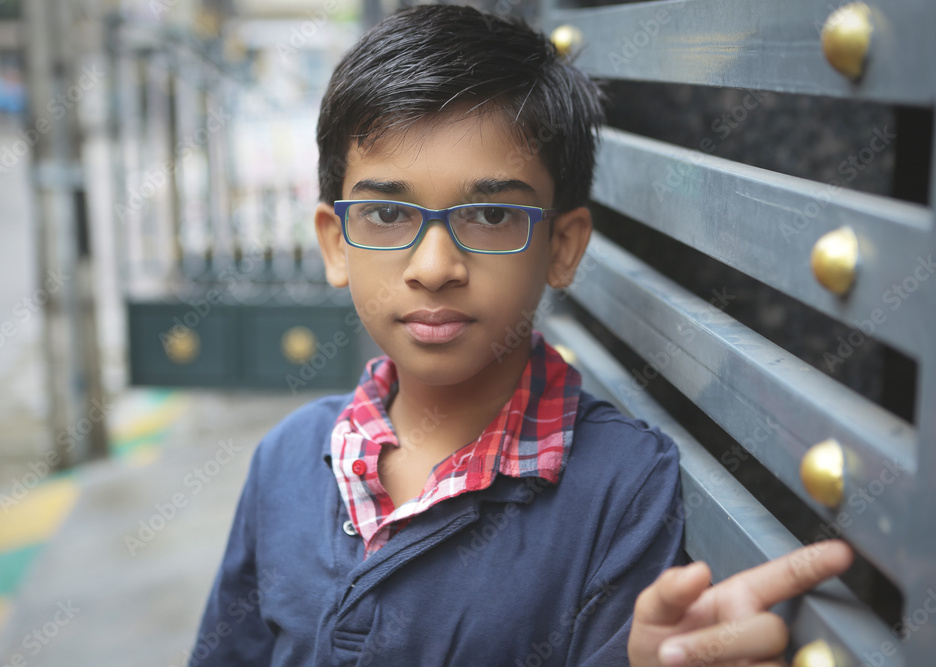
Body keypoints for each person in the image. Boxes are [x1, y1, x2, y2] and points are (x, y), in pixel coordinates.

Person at [191, 5, 853, 665]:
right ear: (336, 245)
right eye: (388, 213)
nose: (434, 268)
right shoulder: (286, 459)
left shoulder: (621, 488)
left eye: (490, 214)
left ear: (562, 248)